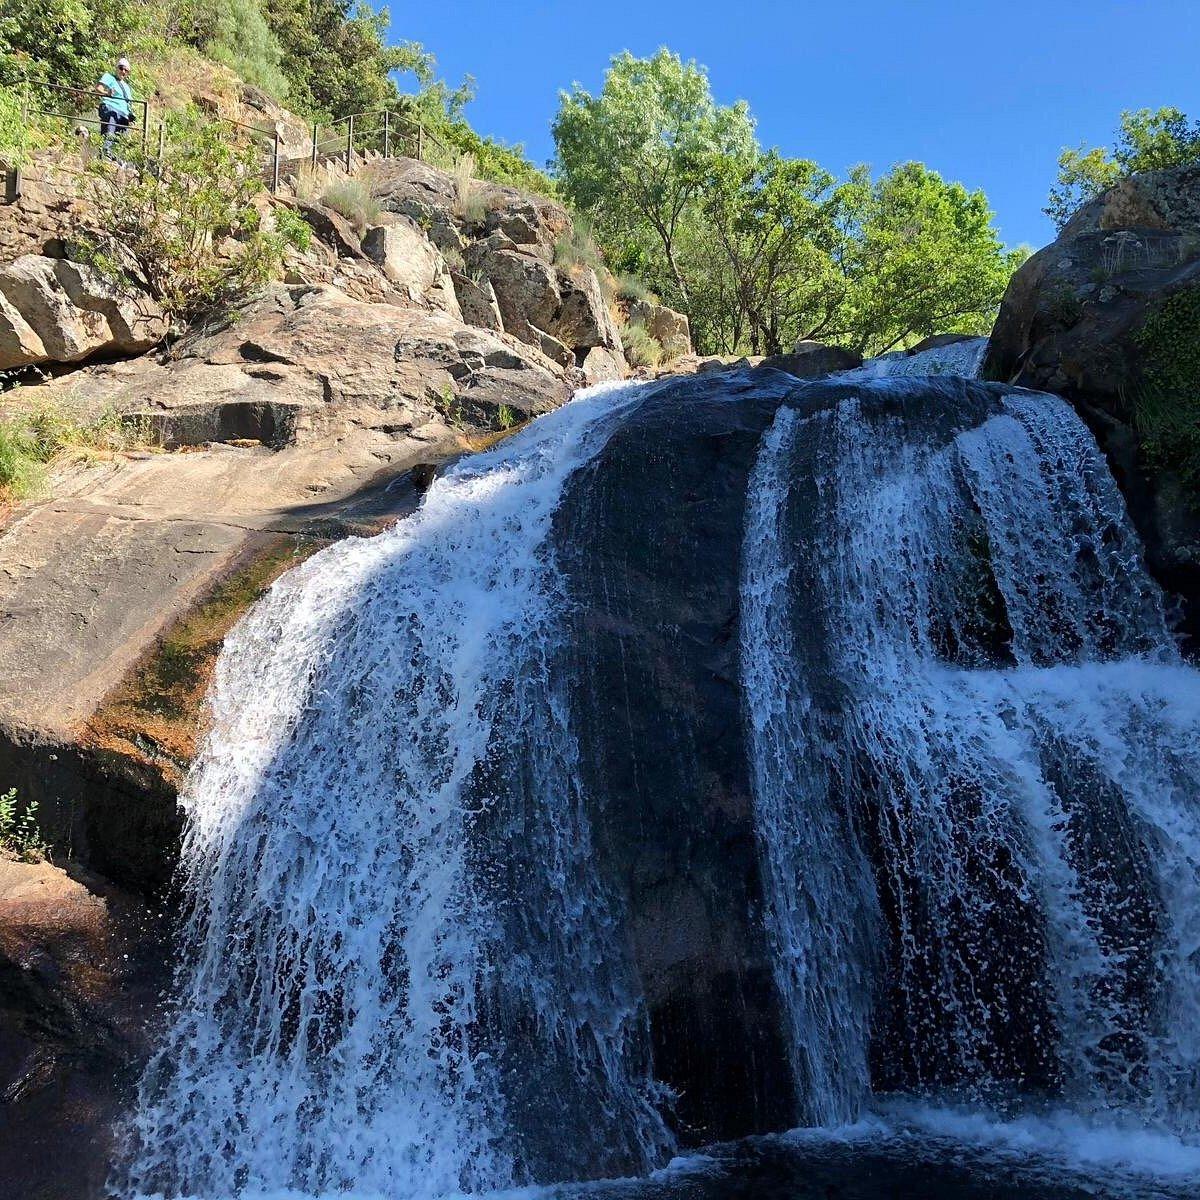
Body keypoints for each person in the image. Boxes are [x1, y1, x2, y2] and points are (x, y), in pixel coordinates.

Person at [96, 57, 136, 158]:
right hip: (110, 107)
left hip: (123, 113)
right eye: (121, 68)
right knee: (111, 123)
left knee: (124, 136)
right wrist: (107, 93)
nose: (123, 71)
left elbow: (129, 103)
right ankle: (106, 152)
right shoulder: (109, 77)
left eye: (126, 70)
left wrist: (131, 115)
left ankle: (117, 157)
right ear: (117, 68)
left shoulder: (127, 87)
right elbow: (98, 88)